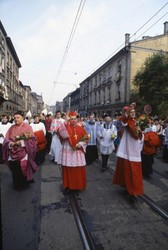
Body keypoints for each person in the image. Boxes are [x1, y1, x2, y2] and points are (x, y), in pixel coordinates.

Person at [113, 103, 144, 203]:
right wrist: (128, 110)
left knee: (135, 173)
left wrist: (141, 132)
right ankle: (130, 191)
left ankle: (133, 191)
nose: (133, 113)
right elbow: (123, 122)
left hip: (136, 150)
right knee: (127, 172)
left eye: (134, 112)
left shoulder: (138, 122)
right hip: (127, 150)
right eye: (131, 112)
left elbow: (140, 136)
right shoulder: (125, 121)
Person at [3, 111, 38, 189]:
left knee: (23, 168)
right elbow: (6, 139)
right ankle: (16, 184)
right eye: (14, 118)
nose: (16, 119)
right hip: (13, 152)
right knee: (15, 169)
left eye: (18, 117)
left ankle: (24, 185)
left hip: (23, 152)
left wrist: (21, 142)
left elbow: (32, 140)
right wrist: (10, 143)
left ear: (23, 118)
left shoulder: (28, 127)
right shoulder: (11, 127)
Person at [58, 111, 89, 192]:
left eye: (75, 119)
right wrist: (66, 122)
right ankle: (68, 185)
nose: (73, 121)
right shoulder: (65, 127)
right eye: (71, 119)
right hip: (68, 149)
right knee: (68, 168)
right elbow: (60, 132)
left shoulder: (80, 128)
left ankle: (78, 185)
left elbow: (86, 138)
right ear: (69, 120)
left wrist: (81, 144)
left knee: (78, 168)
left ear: (77, 119)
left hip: (77, 151)